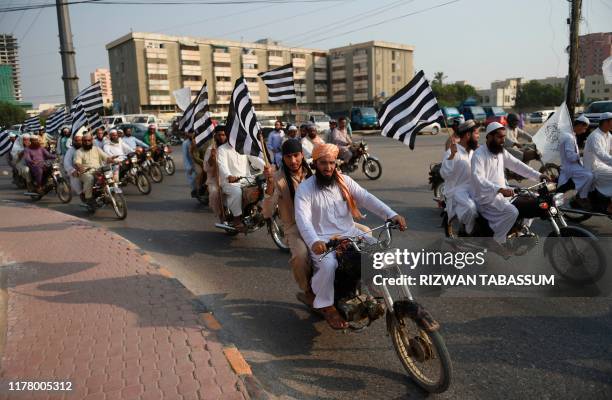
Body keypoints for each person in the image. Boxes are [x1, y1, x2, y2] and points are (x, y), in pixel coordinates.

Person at [294, 143, 406, 329]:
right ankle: (327, 305)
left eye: (331, 163)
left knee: (381, 250)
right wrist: (314, 241)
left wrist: (391, 214)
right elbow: (303, 219)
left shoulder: (344, 181)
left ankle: (376, 288)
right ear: (315, 164)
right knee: (329, 264)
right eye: (323, 163)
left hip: (351, 233)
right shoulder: (305, 189)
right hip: (324, 240)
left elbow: (367, 198)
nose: (328, 167)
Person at [471, 122, 548, 244]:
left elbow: (517, 166)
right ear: (489, 137)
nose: (503, 140)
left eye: (504, 137)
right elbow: (478, 179)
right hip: (487, 197)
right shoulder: (479, 154)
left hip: (504, 193)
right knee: (512, 212)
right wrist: (499, 189)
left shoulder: (501, 152)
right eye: (499, 137)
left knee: (536, 199)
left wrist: (538, 175)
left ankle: (520, 230)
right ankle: (498, 240)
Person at [263, 139, 315, 304]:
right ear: (282, 158)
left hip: (320, 223)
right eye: (288, 157)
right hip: (295, 227)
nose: (293, 161)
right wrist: (270, 185)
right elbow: (267, 212)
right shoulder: (278, 178)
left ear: (302, 154)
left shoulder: (313, 171)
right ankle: (307, 291)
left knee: (362, 234)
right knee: (300, 256)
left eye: (296, 155)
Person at [216, 135, 265, 230]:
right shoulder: (222, 149)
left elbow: (254, 158)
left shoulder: (243, 147)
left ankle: (258, 211)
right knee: (236, 192)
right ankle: (237, 219)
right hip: (230, 182)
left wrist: (267, 167)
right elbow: (222, 166)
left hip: (247, 179)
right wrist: (228, 176)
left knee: (263, 186)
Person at [440, 120, 480, 234]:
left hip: (473, 189)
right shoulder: (452, 152)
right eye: (476, 133)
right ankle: (467, 234)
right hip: (456, 191)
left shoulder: (474, 151)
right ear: (468, 135)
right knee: (471, 209)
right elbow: (444, 174)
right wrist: (452, 155)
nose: (478, 137)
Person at [558, 115, 594, 209]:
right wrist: (582, 154)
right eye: (584, 128)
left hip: (573, 165)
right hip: (570, 166)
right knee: (589, 175)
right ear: (579, 125)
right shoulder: (569, 137)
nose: (584, 131)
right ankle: (580, 196)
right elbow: (570, 157)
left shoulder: (571, 135)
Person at [583, 112, 612, 213]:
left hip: (603, 165)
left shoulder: (608, 135)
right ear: (606, 122)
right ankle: (609, 206)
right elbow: (602, 156)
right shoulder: (595, 136)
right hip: (594, 168)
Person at [74, 133, 115, 204]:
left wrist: (112, 160)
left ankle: (109, 194)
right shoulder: (78, 152)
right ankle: (88, 198)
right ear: (82, 141)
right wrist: (80, 167)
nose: (87, 142)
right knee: (90, 178)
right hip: (86, 172)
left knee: (109, 176)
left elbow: (105, 157)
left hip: (98, 171)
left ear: (92, 141)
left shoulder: (96, 149)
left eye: (89, 140)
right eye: (85, 141)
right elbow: (77, 162)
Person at [203, 125, 227, 219]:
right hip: (215, 179)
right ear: (216, 136)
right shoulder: (211, 149)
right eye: (219, 135)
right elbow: (206, 167)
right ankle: (221, 214)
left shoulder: (230, 147)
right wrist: (211, 158)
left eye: (224, 135)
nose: (222, 137)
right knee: (215, 193)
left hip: (229, 177)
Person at [64, 131, 83, 196]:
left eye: (80, 140)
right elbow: (66, 163)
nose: (78, 142)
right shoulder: (70, 151)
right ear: (73, 141)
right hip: (76, 173)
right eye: (76, 141)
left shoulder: (85, 149)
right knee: (80, 190)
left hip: (88, 170)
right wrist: (72, 170)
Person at [183, 130, 197, 197]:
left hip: (200, 163)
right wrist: (189, 167)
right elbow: (185, 156)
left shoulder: (198, 140)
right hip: (191, 165)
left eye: (192, 132)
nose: (191, 134)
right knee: (193, 178)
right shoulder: (185, 143)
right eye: (190, 133)